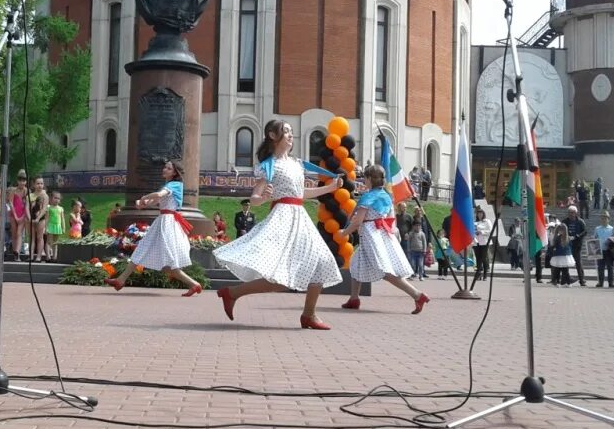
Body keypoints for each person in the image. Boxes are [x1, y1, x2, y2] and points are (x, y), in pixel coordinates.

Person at [212, 120, 344, 329]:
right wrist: (263, 198)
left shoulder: (297, 163)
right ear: (273, 136)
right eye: (286, 131)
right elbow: (254, 198)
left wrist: (330, 188)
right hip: (282, 219)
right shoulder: (269, 165)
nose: (291, 135)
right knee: (281, 280)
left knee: (322, 260)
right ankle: (233, 293)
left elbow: (300, 193)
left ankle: (309, 314)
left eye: (291, 132)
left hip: (300, 217)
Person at [338, 164, 429, 314]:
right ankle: (354, 298)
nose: (364, 180)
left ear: (368, 179)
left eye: (365, 177)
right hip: (381, 233)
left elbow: (358, 221)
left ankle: (417, 294)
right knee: (356, 263)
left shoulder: (368, 197)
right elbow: (391, 219)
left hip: (370, 234)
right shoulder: (387, 196)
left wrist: (345, 232)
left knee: (384, 270)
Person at [103, 160, 202, 296]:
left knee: (168, 263)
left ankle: (194, 284)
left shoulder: (176, 185)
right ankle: (121, 280)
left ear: (174, 172)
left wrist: (144, 197)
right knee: (148, 252)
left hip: (168, 224)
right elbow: (153, 201)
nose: (164, 169)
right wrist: (141, 204)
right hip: (163, 222)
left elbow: (158, 195)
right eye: (165, 167)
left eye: (168, 168)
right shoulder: (168, 185)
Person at [7, 170, 30, 260]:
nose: (22, 182)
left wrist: (23, 216)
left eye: (24, 181)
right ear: (17, 181)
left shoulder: (27, 191)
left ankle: (17, 251)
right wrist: (16, 216)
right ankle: (15, 253)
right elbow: (11, 203)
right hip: (14, 214)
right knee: (14, 233)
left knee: (19, 233)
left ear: (26, 181)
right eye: (20, 180)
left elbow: (28, 205)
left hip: (23, 214)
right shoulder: (13, 190)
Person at [562, 206, 587, 286]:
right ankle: (565, 280)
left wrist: (577, 236)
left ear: (576, 213)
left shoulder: (580, 221)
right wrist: (566, 236)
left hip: (577, 245)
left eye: (573, 212)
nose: (571, 214)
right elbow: (561, 230)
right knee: (566, 263)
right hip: (567, 244)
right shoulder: (564, 221)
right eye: (569, 212)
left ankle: (582, 280)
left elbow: (585, 232)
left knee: (578, 263)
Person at [594, 211, 614, 288]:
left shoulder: (612, 229)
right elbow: (594, 237)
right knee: (600, 267)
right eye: (602, 218)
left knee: (610, 267)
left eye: (605, 218)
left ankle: (611, 283)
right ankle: (600, 282)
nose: (604, 219)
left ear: (608, 219)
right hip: (600, 250)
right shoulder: (597, 228)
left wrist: (611, 239)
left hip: (609, 250)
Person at [29, 176, 48, 262]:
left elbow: (44, 209)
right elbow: (27, 208)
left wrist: (38, 218)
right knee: (32, 238)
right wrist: (30, 218)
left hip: (41, 219)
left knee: (40, 237)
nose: (40, 185)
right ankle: (31, 256)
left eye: (41, 183)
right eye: (38, 183)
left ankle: (39, 256)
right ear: (34, 185)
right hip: (31, 218)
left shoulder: (45, 196)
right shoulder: (31, 195)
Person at [473, 206, 492, 281]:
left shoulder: (487, 221)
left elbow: (490, 230)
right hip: (476, 241)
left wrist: (481, 232)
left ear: (483, 214)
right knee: (478, 258)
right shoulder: (475, 222)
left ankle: (485, 274)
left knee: (483, 257)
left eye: (481, 213)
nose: (479, 215)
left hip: (484, 241)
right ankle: (478, 274)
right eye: (478, 214)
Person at [45, 190, 64, 262]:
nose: (57, 200)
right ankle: (48, 256)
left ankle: (55, 257)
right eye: (55, 198)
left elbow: (62, 219)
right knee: (49, 242)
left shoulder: (61, 208)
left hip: (57, 227)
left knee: (56, 242)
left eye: (58, 198)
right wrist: (45, 228)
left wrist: (63, 227)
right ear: (51, 198)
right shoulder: (49, 208)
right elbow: (46, 218)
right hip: (50, 226)